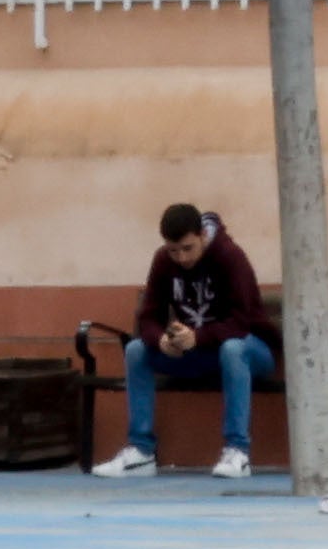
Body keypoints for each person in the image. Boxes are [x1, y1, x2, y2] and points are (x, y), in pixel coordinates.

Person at [100, 200, 274, 481]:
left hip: (250, 350)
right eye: (173, 250)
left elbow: (242, 321)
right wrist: (161, 341)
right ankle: (141, 452)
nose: (181, 258)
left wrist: (199, 337)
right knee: (136, 350)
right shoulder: (162, 261)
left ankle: (237, 451)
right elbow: (147, 318)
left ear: (203, 235)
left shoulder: (230, 256)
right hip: (198, 353)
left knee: (232, 349)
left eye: (188, 248)